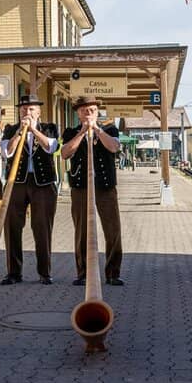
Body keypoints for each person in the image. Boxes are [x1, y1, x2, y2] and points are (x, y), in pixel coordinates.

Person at [61, 96, 125, 286]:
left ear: (97, 112)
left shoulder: (110, 129)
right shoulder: (71, 132)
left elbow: (114, 147)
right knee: (82, 230)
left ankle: (113, 273)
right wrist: (82, 132)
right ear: (78, 113)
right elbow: (65, 153)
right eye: (83, 110)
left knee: (112, 229)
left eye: (91, 110)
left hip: (105, 186)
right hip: (80, 186)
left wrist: (96, 129)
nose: (87, 113)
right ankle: (83, 273)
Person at [0, 94, 60, 285]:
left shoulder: (49, 128)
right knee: (12, 228)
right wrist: (20, 132)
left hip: (43, 183)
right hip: (16, 182)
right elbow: (6, 151)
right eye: (24, 109)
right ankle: (14, 272)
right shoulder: (10, 130)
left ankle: (44, 272)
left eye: (32, 109)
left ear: (39, 112)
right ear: (19, 111)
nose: (28, 111)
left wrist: (33, 129)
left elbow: (51, 147)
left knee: (42, 227)